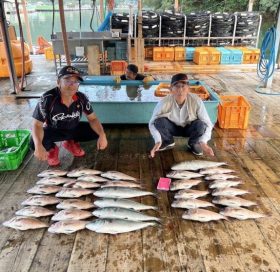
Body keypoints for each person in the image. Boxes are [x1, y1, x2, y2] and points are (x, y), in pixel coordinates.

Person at [30, 65, 108, 166]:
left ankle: (71, 143)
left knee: (99, 131)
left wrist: (102, 135)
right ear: (58, 82)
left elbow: (93, 119)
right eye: (67, 80)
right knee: (33, 142)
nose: (72, 85)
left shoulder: (82, 98)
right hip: (54, 130)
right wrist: (38, 145)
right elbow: (37, 125)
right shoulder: (47, 99)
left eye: (75, 81)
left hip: (73, 128)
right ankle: (52, 150)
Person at [149, 73, 214, 158]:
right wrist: (158, 141)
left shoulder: (196, 101)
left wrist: (203, 142)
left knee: (201, 124)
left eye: (183, 86)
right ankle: (168, 141)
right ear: (171, 89)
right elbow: (152, 123)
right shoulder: (164, 102)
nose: (180, 90)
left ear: (188, 89)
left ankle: (193, 143)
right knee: (158, 121)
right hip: (173, 128)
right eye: (176, 86)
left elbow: (208, 123)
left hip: (189, 128)